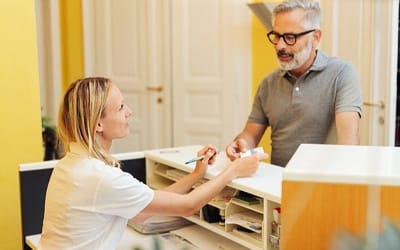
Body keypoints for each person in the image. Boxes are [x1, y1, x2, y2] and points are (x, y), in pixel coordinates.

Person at [38, 77, 267, 250]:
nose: (129, 112)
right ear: (98, 124)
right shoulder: (100, 178)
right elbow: (187, 206)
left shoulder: (71, 165)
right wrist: (232, 171)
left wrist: (197, 174)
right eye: (120, 107)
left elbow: (142, 211)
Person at [226, 0, 362, 167]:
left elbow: (349, 140)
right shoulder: (268, 83)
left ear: (316, 37)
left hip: (323, 185)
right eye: (276, 36)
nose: (280, 46)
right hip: (276, 184)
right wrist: (241, 145)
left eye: (290, 37)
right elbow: (250, 135)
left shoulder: (342, 74)